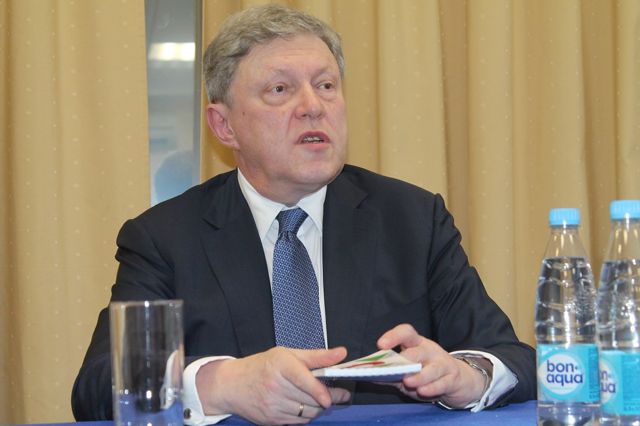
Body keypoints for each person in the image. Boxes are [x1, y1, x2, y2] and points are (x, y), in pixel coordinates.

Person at [72, 5, 536, 425]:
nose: (313, 107)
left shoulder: (412, 219)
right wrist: (222, 384)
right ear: (224, 125)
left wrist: (465, 376)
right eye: (280, 89)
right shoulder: (164, 238)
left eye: (326, 86)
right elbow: (98, 387)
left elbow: (513, 359)